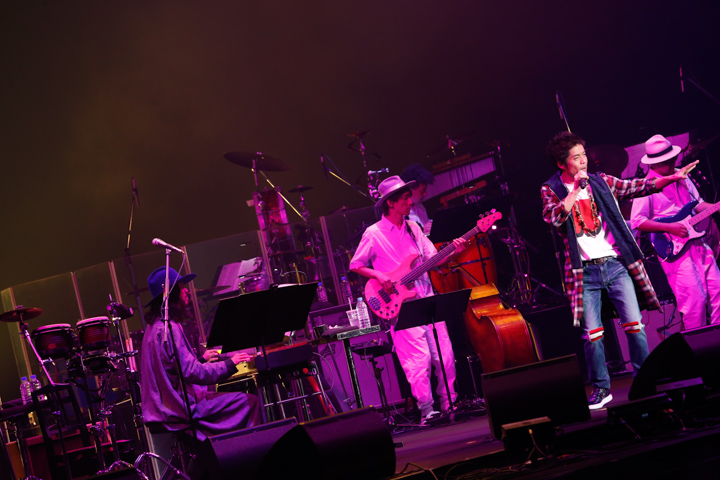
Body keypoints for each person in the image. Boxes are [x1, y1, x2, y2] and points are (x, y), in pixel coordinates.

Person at [540, 131, 698, 409]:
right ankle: (601, 388)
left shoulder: (601, 181)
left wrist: (672, 178)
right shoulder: (551, 189)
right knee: (592, 335)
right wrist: (575, 190)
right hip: (583, 272)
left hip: (615, 265)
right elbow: (554, 218)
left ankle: (644, 380)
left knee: (635, 325)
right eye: (576, 158)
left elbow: (638, 186)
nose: (584, 161)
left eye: (584, 155)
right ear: (562, 164)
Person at [349, 176, 466, 423]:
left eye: (409, 197)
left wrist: (453, 252)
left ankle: (450, 403)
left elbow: (432, 260)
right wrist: (379, 275)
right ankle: (427, 410)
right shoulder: (374, 233)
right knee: (418, 360)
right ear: (390, 203)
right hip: (401, 304)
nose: (410, 201)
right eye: (404, 198)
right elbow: (356, 264)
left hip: (426, 297)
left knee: (444, 355)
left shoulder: (414, 227)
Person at [140, 266, 263, 441]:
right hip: (180, 407)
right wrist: (230, 363)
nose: (186, 291)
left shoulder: (154, 328)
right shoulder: (169, 329)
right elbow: (194, 373)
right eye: (182, 287)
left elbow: (174, 368)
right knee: (250, 402)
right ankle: (252, 450)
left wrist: (201, 359)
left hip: (164, 407)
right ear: (171, 294)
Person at [630, 134, 720, 329]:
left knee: (718, 295)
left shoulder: (682, 175)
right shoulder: (646, 186)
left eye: (673, 158)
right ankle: (699, 345)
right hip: (675, 251)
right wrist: (669, 227)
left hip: (698, 243)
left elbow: (697, 204)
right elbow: (637, 221)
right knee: (694, 304)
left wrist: (716, 207)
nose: (672, 163)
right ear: (655, 163)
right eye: (667, 161)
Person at [401, 163, 435, 234]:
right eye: (422, 191)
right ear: (410, 190)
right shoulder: (402, 213)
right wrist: (423, 232)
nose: (425, 194)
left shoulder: (420, 206)